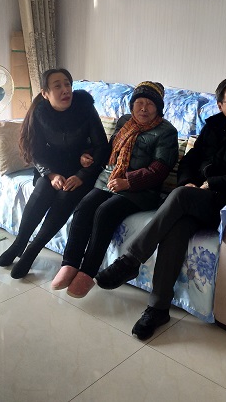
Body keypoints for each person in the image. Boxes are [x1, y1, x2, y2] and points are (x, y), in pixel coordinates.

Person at [95, 76, 226, 340]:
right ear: (220, 105)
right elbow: (191, 159)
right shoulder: (213, 125)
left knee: (180, 197)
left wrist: (210, 183)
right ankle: (158, 308)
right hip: (197, 196)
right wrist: (189, 182)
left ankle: (131, 259)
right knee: (176, 227)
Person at [51, 81, 178, 298]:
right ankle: (70, 264)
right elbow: (109, 150)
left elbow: (160, 170)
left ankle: (87, 272)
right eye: (139, 103)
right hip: (109, 179)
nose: (144, 108)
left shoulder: (166, 132)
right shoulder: (124, 122)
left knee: (105, 212)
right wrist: (88, 155)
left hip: (142, 190)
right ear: (132, 105)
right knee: (84, 207)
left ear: (158, 108)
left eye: (150, 104)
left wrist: (129, 181)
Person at [0, 68, 109, 279]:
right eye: (58, 86)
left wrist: (82, 175)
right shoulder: (40, 112)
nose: (65, 90)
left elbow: (102, 147)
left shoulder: (85, 107)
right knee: (43, 190)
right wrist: (50, 174)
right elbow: (35, 150)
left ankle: (32, 251)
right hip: (52, 166)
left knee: (66, 195)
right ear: (45, 93)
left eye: (67, 84)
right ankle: (20, 242)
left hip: (82, 169)